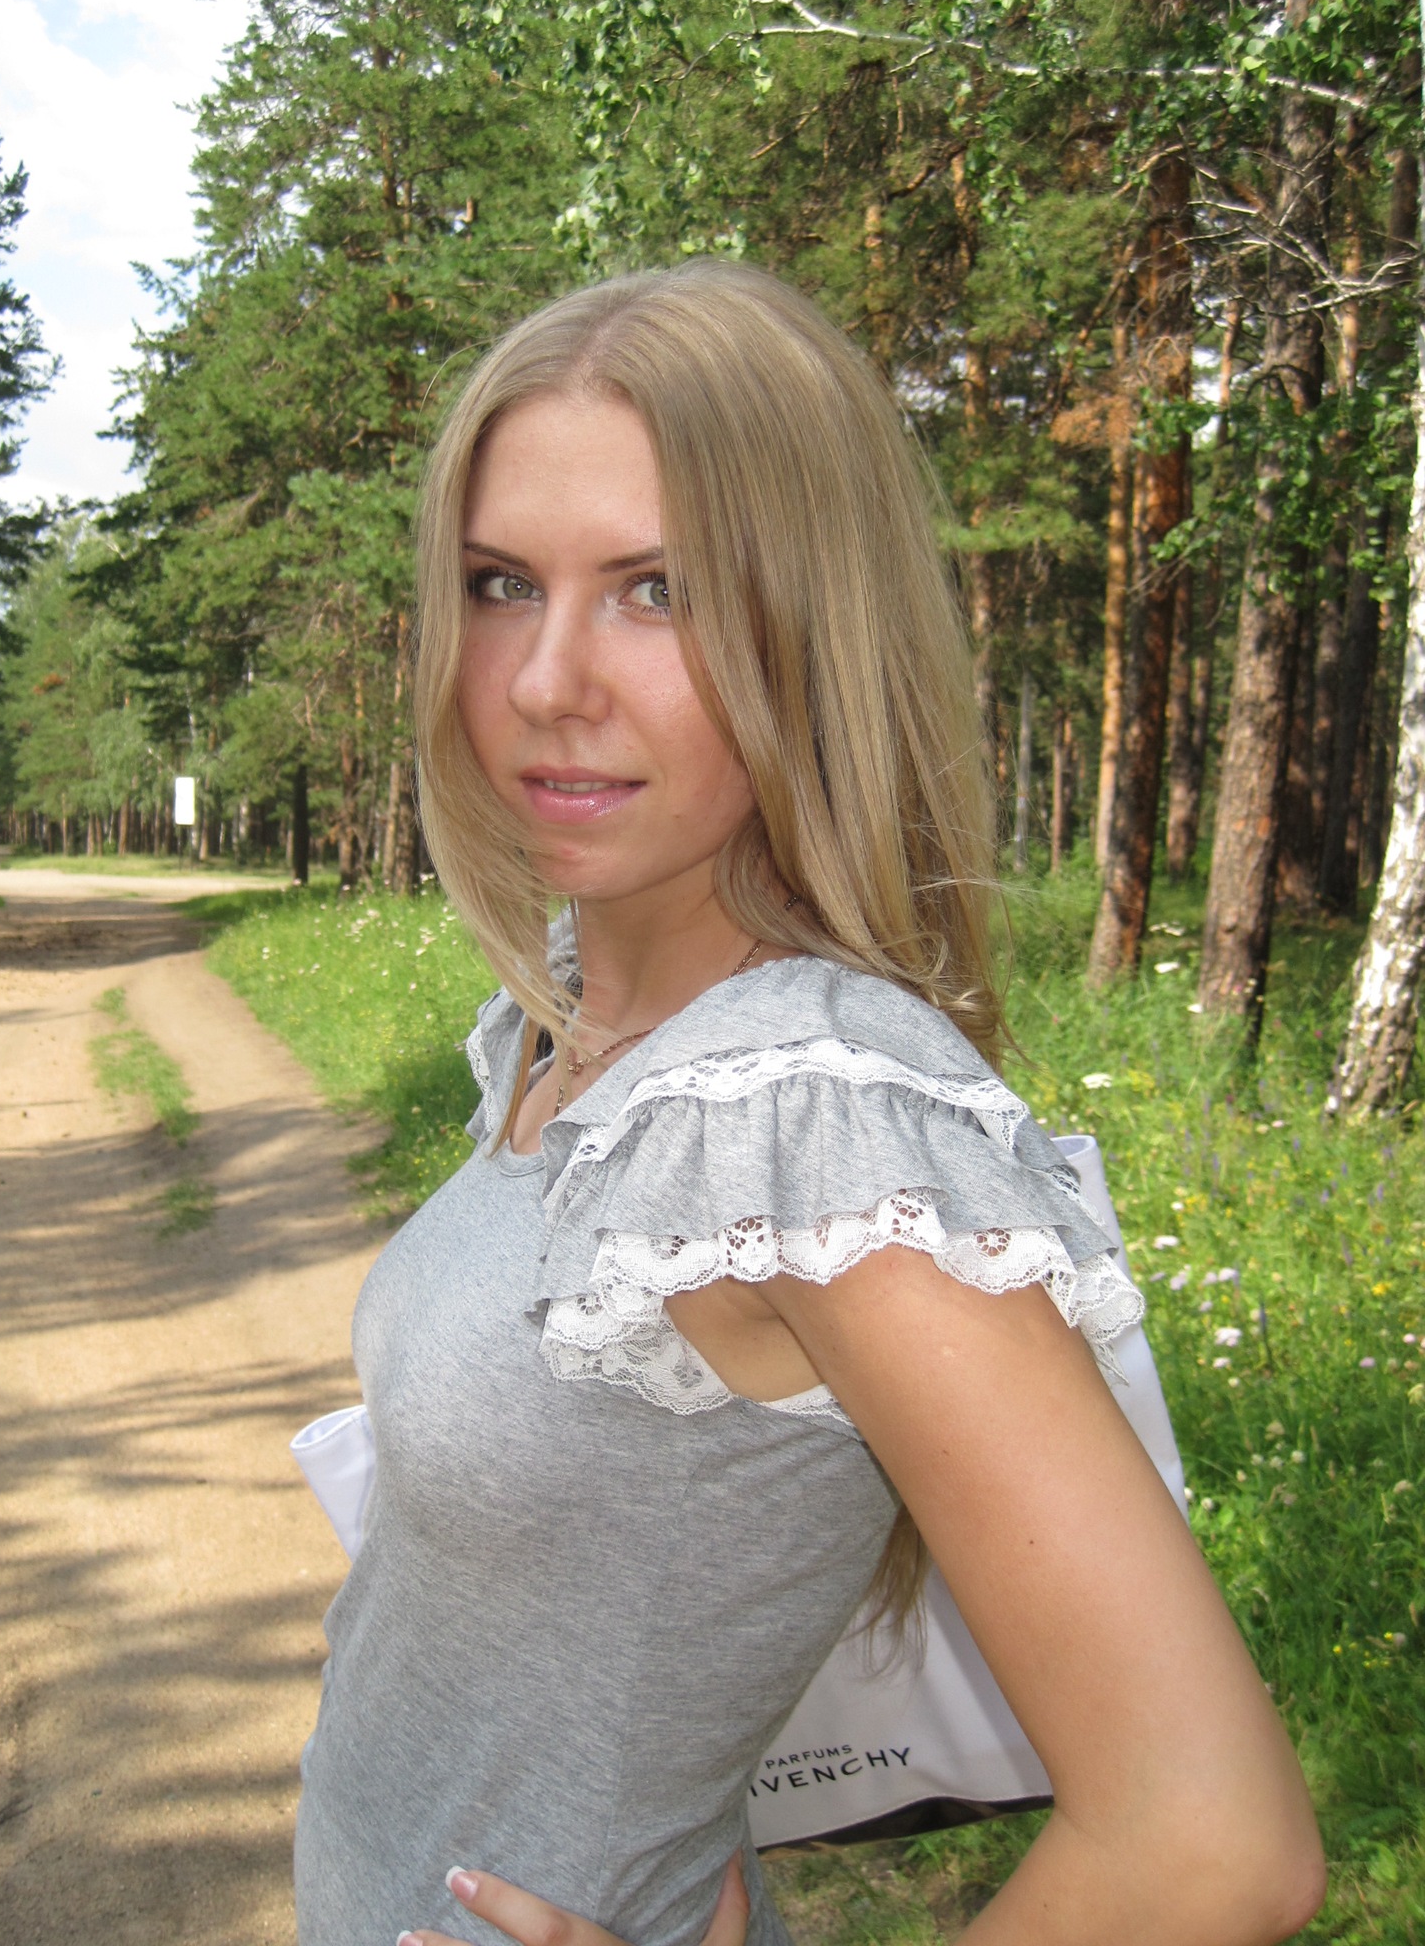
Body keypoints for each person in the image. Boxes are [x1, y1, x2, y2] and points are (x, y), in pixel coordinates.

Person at [293, 261, 1325, 1946]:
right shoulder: (574, 1018)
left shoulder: (809, 1114)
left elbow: (1209, 1843)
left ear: (814, 625)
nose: (546, 678)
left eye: (657, 591)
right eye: (499, 584)